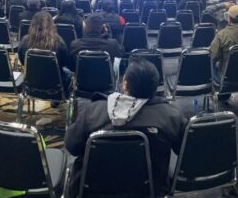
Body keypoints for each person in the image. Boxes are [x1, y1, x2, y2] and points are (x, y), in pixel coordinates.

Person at [64, 58, 187, 196]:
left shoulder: (93, 111)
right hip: (149, 190)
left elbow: (71, 146)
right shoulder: (170, 116)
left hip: (95, 190)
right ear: (155, 88)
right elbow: (185, 153)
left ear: (125, 85)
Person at [18, 11, 71, 77]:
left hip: (32, 79)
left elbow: (22, 61)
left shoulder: (24, 40)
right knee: (68, 72)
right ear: (51, 24)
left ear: (32, 24)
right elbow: (64, 62)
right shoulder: (59, 41)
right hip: (54, 81)